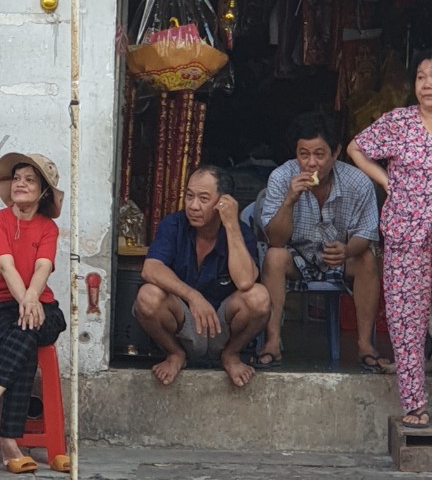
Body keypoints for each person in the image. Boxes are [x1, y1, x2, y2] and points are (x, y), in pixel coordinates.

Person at [256, 111, 382, 371]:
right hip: (296, 255)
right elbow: (276, 240)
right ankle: (272, 342)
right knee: (273, 257)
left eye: (320, 154)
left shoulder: (358, 182)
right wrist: (289, 200)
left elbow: (367, 233)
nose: (311, 163)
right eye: (304, 154)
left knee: (368, 258)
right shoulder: (281, 178)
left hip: (340, 256)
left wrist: (347, 250)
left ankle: (365, 345)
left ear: (335, 153)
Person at [348, 49, 432, 428]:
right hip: (406, 232)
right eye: (421, 77)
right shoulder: (399, 122)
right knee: (405, 317)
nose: (427, 84)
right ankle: (414, 405)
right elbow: (355, 149)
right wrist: (385, 180)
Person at [0, 152, 69, 474]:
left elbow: (43, 266)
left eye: (29, 180)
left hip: (40, 304)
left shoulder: (47, 228)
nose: (20, 184)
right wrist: (27, 303)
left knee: (28, 329)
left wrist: (31, 301)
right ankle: (10, 439)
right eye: (16, 178)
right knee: (25, 334)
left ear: (43, 192)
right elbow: (5, 266)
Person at [134, 165, 270, 388]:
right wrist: (193, 296)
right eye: (189, 196)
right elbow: (151, 268)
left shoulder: (240, 231)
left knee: (259, 297)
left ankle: (231, 355)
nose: (193, 206)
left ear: (222, 202)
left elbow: (246, 281)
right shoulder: (174, 224)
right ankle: (175, 354)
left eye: (204, 198)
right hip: (183, 321)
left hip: (222, 325)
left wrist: (231, 224)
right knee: (148, 295)